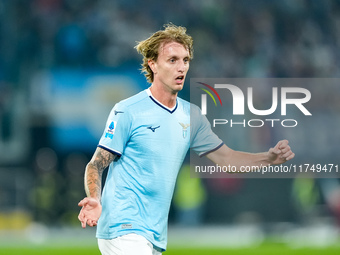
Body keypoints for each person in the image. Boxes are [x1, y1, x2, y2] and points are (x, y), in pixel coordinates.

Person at [78, 23, 295, 255]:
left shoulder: (191, 116)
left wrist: (268, 158)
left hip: (153, 233)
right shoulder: (128, 110)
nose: (181, 67)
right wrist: (94, 198)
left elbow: (226, 158)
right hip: (123, 227)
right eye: (172, 60)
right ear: (153, 65)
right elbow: (96, 163)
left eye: (185, 60)